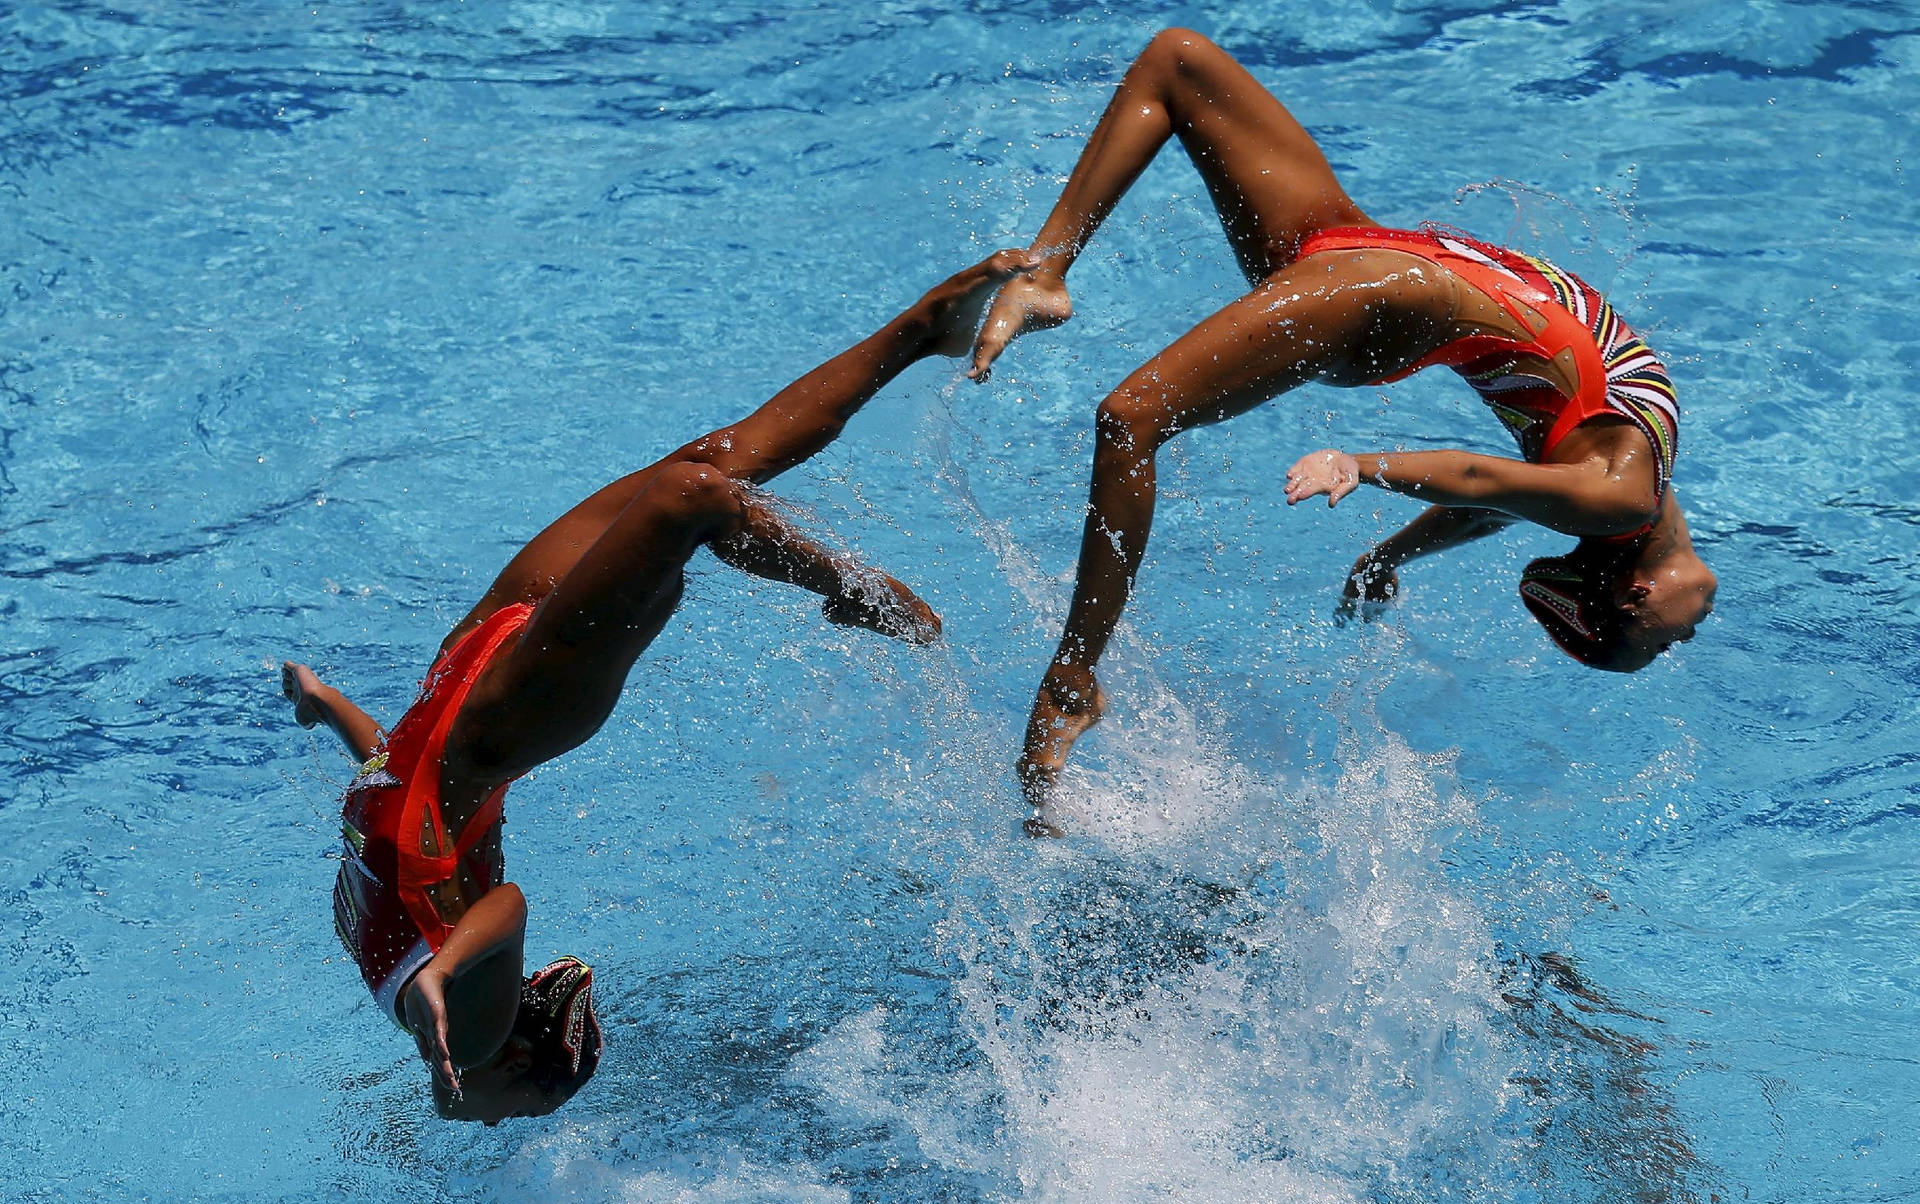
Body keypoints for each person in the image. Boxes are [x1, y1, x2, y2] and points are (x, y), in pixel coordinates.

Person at [282, 252, 1032, 1122]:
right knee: (689, 499)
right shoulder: (462, 1022)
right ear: (517, 1061)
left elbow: (390, 785)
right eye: (514, 1112)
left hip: (464, 680)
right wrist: (448, 973)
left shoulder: (430, 1007)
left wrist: (327, 705)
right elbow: (509, 904)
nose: (485, 1119)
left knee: (711, 461)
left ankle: (923, 331)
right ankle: (869, 596)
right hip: (503, 719)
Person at [965, 29, 1715, 812]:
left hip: (1368, 304)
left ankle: (1075, 675)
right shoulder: (1633, 492)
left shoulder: (1620, 493)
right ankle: (1048, 265)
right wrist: (1389, 554)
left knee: (1130, 419)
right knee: (1177, 62)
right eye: (1670, 645)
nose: (1683, 640)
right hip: (1352, 247)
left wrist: (1361, 465)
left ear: (1637, 594)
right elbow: (1493, 498)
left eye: (1664, 642)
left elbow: (1480, 478)